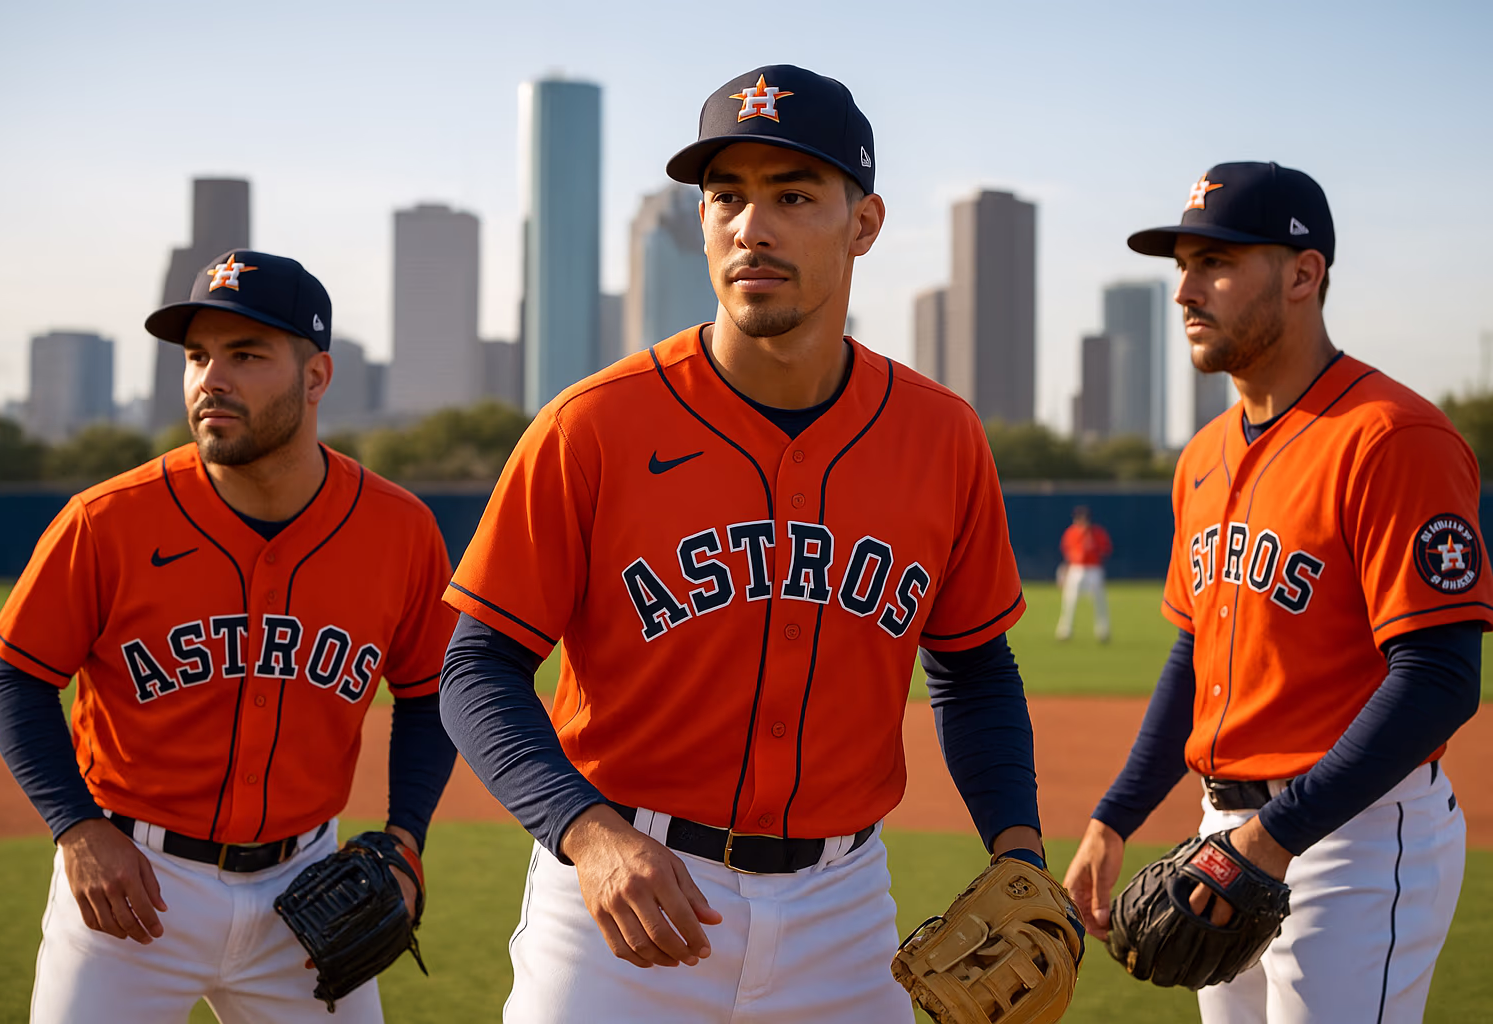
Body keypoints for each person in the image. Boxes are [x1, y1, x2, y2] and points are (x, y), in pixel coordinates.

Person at [438, 65, 1051, 1022]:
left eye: (793, 196)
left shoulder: (941, 437)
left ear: (864, 224)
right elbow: (476, 667)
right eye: (727, 196)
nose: (751, 227)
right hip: (621, 899)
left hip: (843, 912)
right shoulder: (592, 426)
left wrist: (1020, 851)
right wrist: (587, 835)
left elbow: (973, 668)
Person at [0, 250, 460, 1022]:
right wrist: (78, 830)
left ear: (316, 377)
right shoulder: (106, 521)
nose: (211, 378)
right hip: (131, 885)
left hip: (309, 893)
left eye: (246, 354)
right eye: (197, 355)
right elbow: (15, 677)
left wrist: (406, 839)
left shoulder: (398, 529)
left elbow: (432, 690)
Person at [1062, 163, 1489, 1022]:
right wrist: (1114, 817)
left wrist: (1274, 835)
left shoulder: (1392, 437)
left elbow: (1440, 677)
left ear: (1304, 273)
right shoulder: (1203, 455)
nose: (1186, 290)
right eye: (1183, 265)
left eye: (1217, 263)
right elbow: (1194, 658)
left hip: (1354, 835)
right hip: (1226, 833)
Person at [1055, 505, 1113, 642]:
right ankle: (1065, 630)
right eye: (1078, 518)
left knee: (1099, 601)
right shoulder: (1071, 532)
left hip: (1094, 569)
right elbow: (1067, 552)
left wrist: (1093, 548)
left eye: (1083, 518)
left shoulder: (1097, 532)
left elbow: (1106, 549)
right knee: (1070, 600)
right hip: (1076, 569)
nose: (1081, 520)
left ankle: (1103, 631)